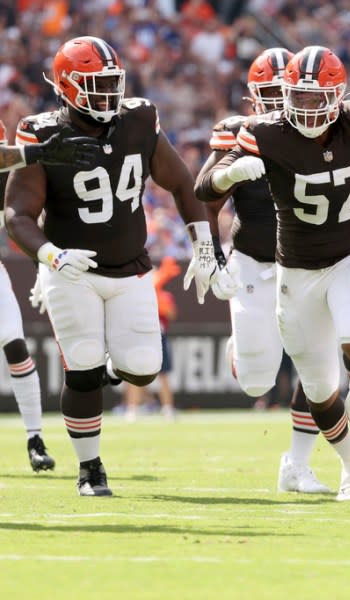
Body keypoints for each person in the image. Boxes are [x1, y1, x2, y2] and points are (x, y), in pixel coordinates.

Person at [196, 45, 350, 501]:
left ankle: (338, 441)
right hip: (280, 265)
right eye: (291, 96)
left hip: (348, 254)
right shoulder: (257, 132)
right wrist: (213, 232)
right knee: (263, 380)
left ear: (338, 95)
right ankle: (247, 348)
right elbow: (203, 189)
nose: (302, 107)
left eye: (315, 97)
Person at [4, 36, 237, 497]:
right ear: (68, 87)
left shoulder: (139, 118)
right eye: (95, 85)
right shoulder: (40, 131)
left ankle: (104, 373)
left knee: (144, 367)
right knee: (84, 365)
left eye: (112, 83)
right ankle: (90, 469)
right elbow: (17, 215)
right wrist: (50, 256)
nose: (107, 95)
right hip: (72, 269)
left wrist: (204, 244)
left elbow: (180, 182)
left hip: (130, 267)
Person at [196, 48, 329, 494]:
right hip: (255, 261)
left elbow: (346, 196)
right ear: (254, 97)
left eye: (283, 92)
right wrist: (209, 254)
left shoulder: (321, 132)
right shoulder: (239, 133)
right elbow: (204, 200)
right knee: (256, 381)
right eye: (268, 94)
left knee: (319, 370)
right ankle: (243, 347)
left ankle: (297, 463)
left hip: (309, 266)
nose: (276, 102)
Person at [1, 119, 99, 472]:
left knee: (14, 343)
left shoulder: (10, 177)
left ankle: (34, 438)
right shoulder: (13, 159)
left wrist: (45, 266)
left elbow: (23, 221)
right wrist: (37, 152)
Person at [123, 256, 181, 422]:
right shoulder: (134, 295)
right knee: (133, 373)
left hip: (158, 336)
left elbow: (171, 314)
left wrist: (159, 299)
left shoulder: (164, 296)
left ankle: (168, 408)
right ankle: (132, 409)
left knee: (163, 375)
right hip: (139, 335)